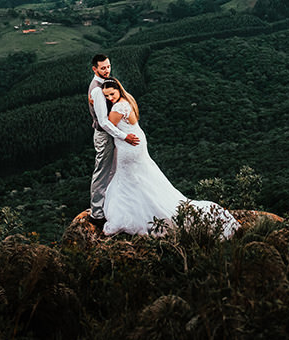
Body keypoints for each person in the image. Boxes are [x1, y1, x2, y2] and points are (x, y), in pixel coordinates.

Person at [99, 78, 239, 238]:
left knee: (127, 180)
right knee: (139, 178)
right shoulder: (127, 100)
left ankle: (131, 215)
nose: (110, 98)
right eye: (106, 96)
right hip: (136, 144)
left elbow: (108, 126)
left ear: (118, 89)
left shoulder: (118, 106)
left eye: (111, 94)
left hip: (128, 146)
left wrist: (97, 108)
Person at [87, 54, 139, 226]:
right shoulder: (96, 89)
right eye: (103, 68)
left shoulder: (106, 84)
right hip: (104, 135)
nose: (107, 70)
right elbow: (103, 122)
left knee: (112, 171)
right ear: (94, 69)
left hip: (111, 135)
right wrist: (125, 136)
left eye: (108, 66)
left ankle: (108, 207)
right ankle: (96, 213)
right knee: (102, 172)